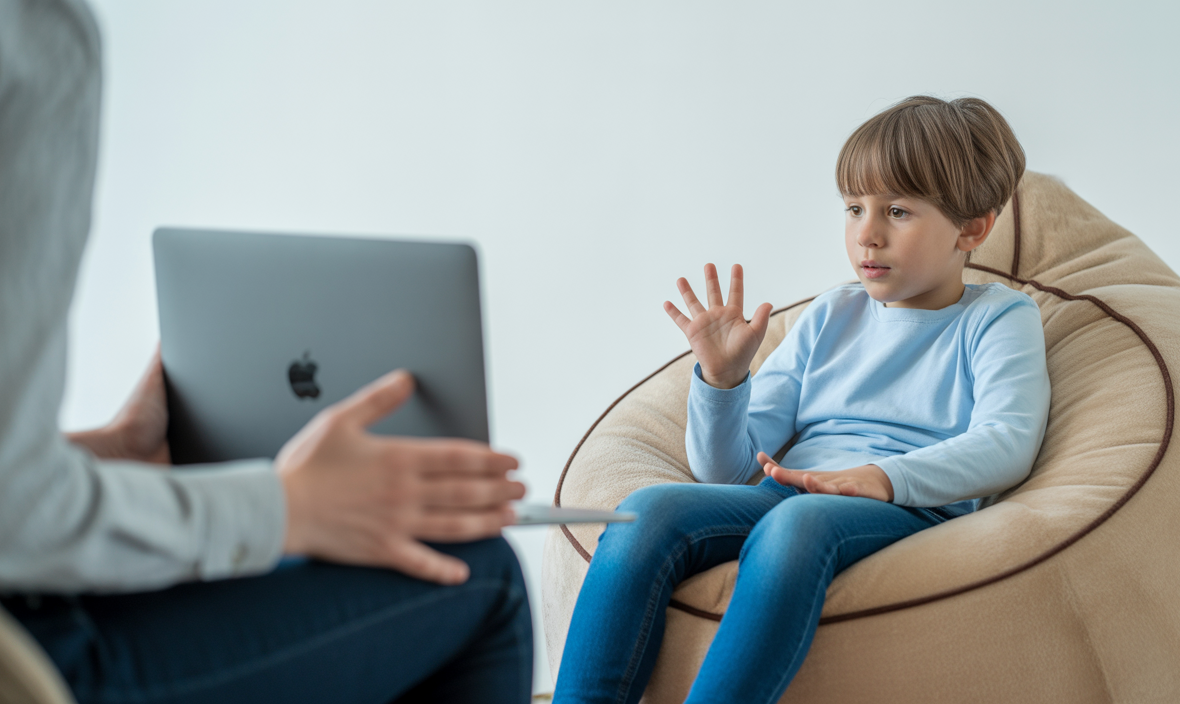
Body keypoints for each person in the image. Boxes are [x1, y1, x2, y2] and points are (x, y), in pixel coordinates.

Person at [0, 2, 531, 702]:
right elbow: (18, 515)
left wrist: (115, 449)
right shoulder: (35, 33)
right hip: (31, 651)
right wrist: (287, 507)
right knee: (481, 573)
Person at [553, 95, 1052, 704]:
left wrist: (879, 478)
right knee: (645, 510)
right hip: (788, 491)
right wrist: (723, 382)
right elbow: (729, 472)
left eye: (897, 211)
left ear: (972, 228)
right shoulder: (832, 314)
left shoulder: (999, 317)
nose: (866, 234)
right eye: (853, 208)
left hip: (909, 507)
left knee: (797, 523)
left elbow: (1007, 443)